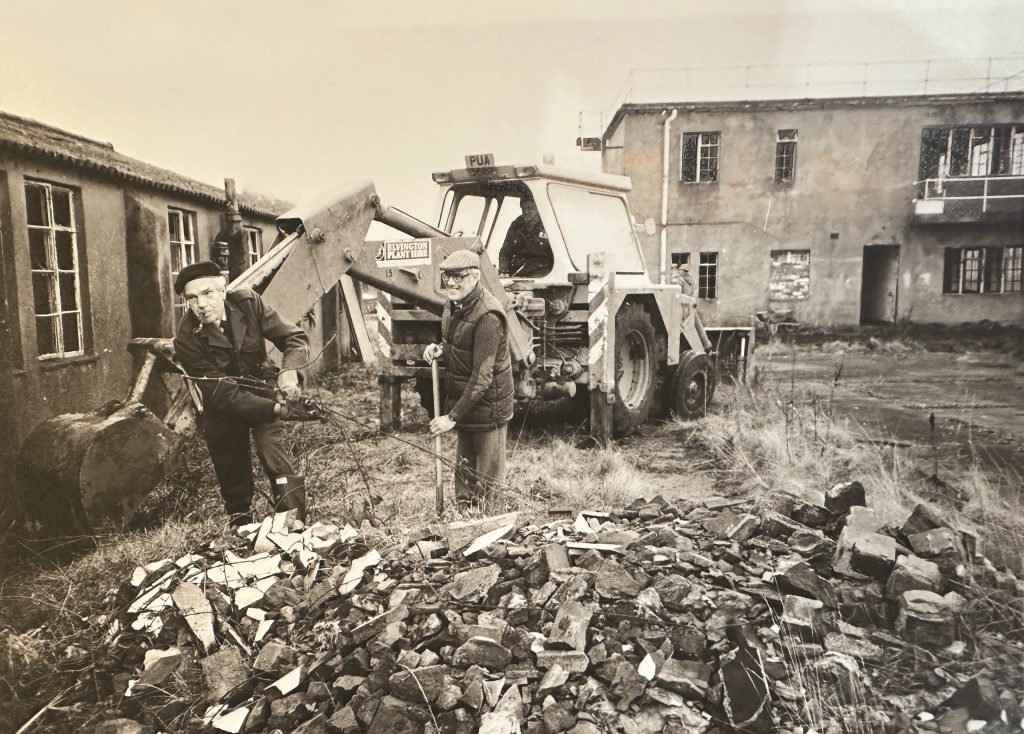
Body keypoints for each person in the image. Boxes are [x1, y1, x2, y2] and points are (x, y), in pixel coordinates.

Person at [171, 260, 314, 525]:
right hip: (223, 404)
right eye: (192, 298)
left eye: (207, 293)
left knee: (273, 454)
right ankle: (242, 528)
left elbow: (294, 338)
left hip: (261, 390)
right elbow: (225, 395)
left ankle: (294, 525)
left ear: (223, 290)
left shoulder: (248, 303)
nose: (201, 304)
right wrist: (280, 409)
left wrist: (289, 372)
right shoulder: (186, 339)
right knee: (231, 466)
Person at [424, 250, 514, 508]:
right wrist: (440, 349)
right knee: (464, 471)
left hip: (489, 407)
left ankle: (491, 523)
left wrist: (451, 417)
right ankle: (463, 517)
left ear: (475, 277)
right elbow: (459, 341)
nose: (451, 283)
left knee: (488, 483)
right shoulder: (454, 305)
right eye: (447, 277)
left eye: (459, 277)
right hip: (468, 405)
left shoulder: (488, 316)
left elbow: (482, 377)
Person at [498, 197, 553, 277]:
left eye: (530, 208)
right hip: (517, 274)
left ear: (538, 208)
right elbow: (505, 251)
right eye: (523, 208)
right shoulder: (517, 224)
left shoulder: (549, 224)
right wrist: (503, 270)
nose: (526, 212)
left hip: (541, 275)